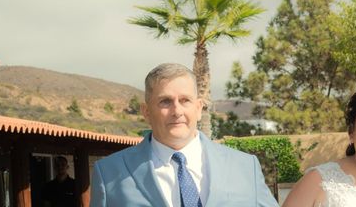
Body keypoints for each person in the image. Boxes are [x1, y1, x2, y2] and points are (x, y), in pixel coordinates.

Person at [90, 62, 278, 207]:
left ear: (198, 108)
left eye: (185, 100)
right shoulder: (109, 173)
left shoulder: (245, 167)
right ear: (146, 111)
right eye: (165, 101)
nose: (177, 111)